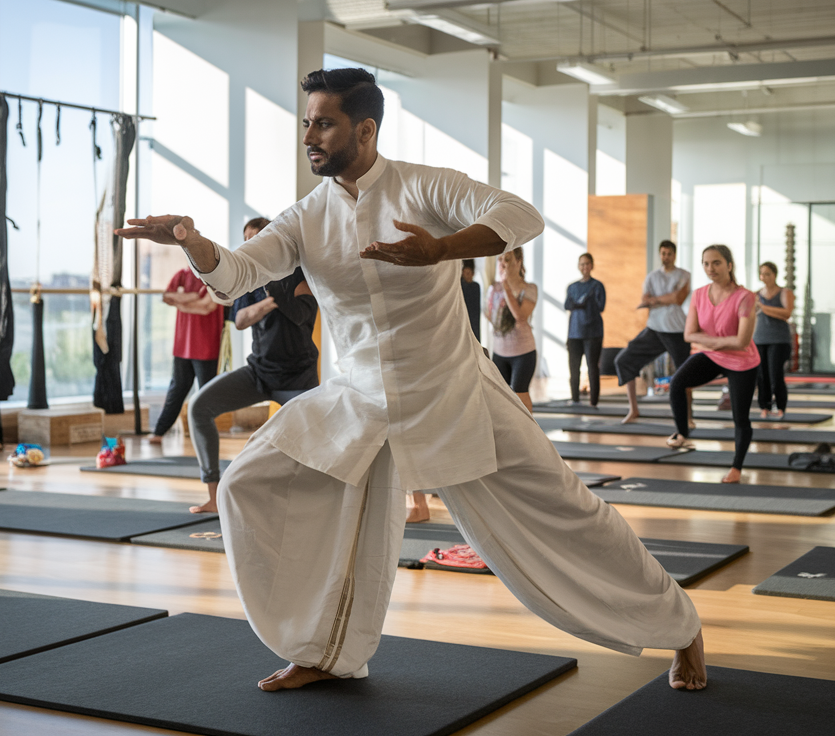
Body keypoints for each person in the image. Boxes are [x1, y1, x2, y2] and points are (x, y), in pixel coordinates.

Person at [117, 67, 706, 694]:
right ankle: (324, 650)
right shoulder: (306, 216)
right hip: (360, 399)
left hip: (455, 390)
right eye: (307, 122)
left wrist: (444, 249)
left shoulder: (423, 187)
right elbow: (236, 276)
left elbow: (520, 214)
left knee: (568, 512)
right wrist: (191, 241)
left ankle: (681, 626)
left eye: (324, 123)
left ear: (365, 130)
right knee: (246, 485)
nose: (309, 135)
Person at [185, 219, 320, 514]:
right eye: (245, 239)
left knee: (312, 440)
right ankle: (214, 496)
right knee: (199, 408)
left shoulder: (299, 273)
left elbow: (300, 314)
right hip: (258, 372)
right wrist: (269, 302)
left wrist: (270, 292)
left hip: (299, 377)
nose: (248, 245)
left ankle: (311, 502)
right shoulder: (249, 279)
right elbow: (241, 320)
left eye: (255, 238)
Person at [667, 245, 760, 485]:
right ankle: (682, 433)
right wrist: (716, 343)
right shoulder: (699, 295)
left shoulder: (745, 297)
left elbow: (742, 341)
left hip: (742, 361)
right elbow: (689, 334)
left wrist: (709, 340)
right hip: (712, 355)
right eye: (706, 264)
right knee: (677, 383)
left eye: (716, 263)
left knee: (740, 418)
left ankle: (736, 468)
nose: (711, 268)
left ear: (729, 265)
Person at [615, 241, 693, 424]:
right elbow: (645, 299)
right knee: (623, 360)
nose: (665, 257)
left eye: (669, 254)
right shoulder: (651, 277)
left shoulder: (684, 275)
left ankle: (688, 416)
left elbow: (678, 298)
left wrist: (655, 300)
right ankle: (633, 410)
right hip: (654, 328)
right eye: (663, 253)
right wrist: (666, 299)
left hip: (676, 330)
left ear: (674, 255)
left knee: (685, 372)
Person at [148, 266, 225, 444]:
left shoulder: (215, 276)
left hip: (206, 346)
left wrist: (180, 302)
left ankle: (205, 436)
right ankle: (159, 431)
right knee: (177, 389)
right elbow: (166, 297)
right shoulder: (183, 274)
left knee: (206, 393)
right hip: (183, 344)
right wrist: (192, 297)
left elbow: (207, 307)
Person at [486, 248, 538, 412]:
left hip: (523, 352)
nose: (502, 264)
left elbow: (520, 316)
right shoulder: (494, 289)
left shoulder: (529, 288)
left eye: (507, 259)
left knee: (520, 394)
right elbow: (489, 314)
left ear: (518, 262)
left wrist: (506, 286)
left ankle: (530, 435)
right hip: (500, 352)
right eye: (500, 260)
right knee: (501, 396)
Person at [754, 262, 794, 419]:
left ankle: (781, 407)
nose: (764, 277)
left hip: (779, 340)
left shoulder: (784, 292)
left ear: (774, 275)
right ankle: (764, 406)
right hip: (759, 339)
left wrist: (763, 308)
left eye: (767, 274)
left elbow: (786, 313)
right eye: (762, 274)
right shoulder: (756, 294)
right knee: (761, 376)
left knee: (775, 374)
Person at [565, 252, 606, 406]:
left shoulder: (597, 286)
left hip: (593, 333)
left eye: (587, 264)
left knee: (592, 368)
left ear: (592, 265)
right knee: (573, 368)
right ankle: (575, 399)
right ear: (578, 266)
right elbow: (567, 305)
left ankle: (593, 402)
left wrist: (584, 303)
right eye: (582, 264)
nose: (585, 267)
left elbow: (601, 306)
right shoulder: (572, 287)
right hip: (574, 333)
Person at [460, 258, 481, 341]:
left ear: (473, 274)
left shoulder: (475, 287)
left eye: (469, 273)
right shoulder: (461, 286)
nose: (467, 275)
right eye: (465, 273)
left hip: (473, 323)